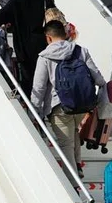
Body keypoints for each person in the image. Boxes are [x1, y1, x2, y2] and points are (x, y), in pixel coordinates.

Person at [30, 20, 107, 176]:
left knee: (66, 144)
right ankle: (77, 165)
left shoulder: (44, 57)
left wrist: (35, 111)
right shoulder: (81, 51)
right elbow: (99, 79)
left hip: (59, 106)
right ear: (64, 34)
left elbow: (39, 87)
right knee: (73, 134)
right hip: (83, 104)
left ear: (48, 37)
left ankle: (73, 183)